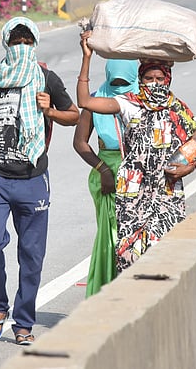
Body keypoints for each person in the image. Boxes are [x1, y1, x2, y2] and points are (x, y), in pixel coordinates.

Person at [0, 16, 79, 345]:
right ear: (6, 44)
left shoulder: (45, 78)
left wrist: (50, 110)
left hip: (32, 178)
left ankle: (23, 322)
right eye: (16, 43)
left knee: (31, 255)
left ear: (34, 45)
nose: (21, 49)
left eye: (27, 44)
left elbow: (74, 115)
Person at [76, 30, 196, 272]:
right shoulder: (129, 104)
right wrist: (86, 58)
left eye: (159, 79)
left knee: (165, 252)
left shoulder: (177, 108)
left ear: (167, 80)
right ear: (140, 80)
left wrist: (189, 166)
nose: (154, 84)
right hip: (133, 189)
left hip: (166, 190)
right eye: (149, 79)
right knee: (130, 256)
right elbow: (85, 102)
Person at [72, 59, 139, 297]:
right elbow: (80, 143)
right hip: (107, 177)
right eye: (115, 82)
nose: (120, 87)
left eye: (125, 82)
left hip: (137, 175)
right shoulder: (96, 99)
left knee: (135, 238)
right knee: (111, 238)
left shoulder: (143, 100)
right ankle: (106, 294)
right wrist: (103, 170)